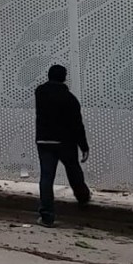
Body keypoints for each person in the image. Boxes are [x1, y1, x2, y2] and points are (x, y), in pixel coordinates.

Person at [34, 64, 91, 227]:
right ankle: (83, 197)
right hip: (65, 142)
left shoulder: (40, 92)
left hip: (44, 141)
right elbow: (77, 125)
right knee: (73, 171)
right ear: (64, 77)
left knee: (46, 178)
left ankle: (47, 216)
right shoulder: (70, 99)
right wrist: (84, 146)